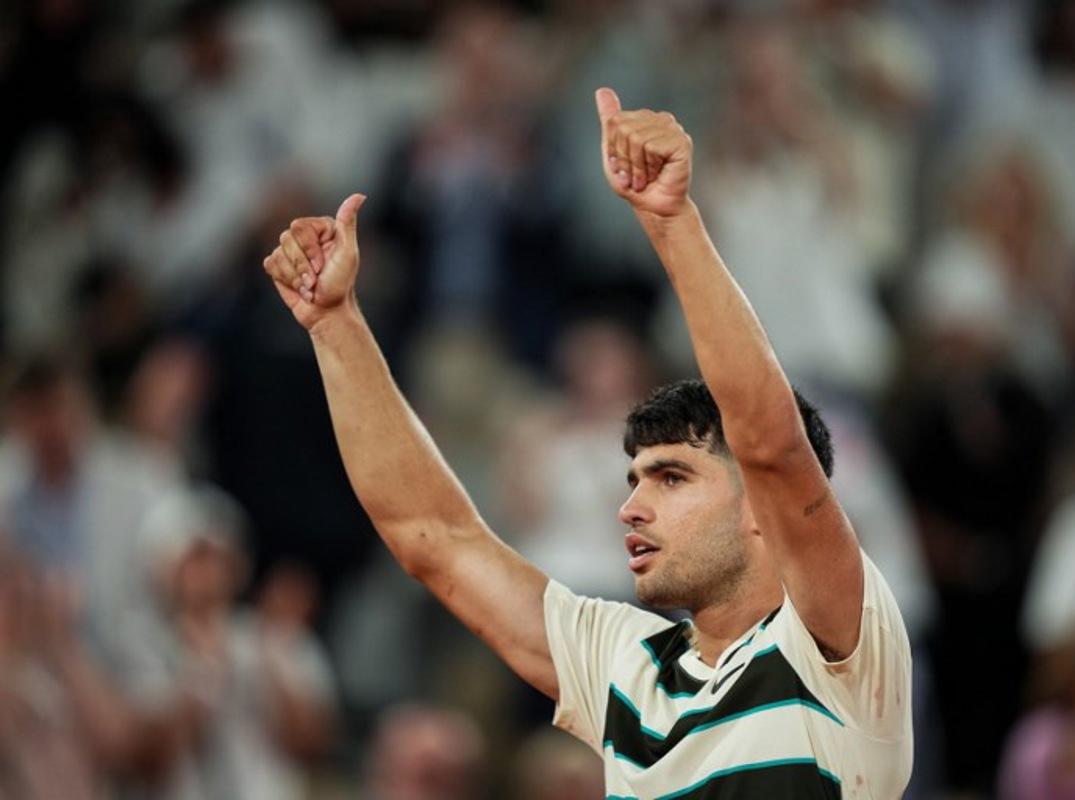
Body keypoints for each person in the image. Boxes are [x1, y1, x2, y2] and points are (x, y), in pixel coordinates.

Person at [262, 88, 913, 798]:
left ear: (761, 505)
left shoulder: (838, 643)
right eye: (635, 480)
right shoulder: (626, 665)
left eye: (670, 479)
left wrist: (671, 223)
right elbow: (435, 537)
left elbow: (771, 445)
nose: (630, 507)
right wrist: (334, 327)